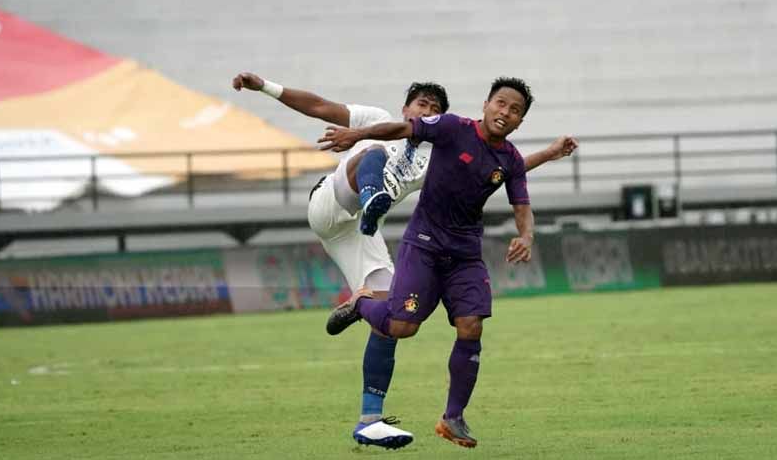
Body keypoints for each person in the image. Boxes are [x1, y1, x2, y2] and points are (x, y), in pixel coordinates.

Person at [232, 73, 577, 449]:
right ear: (406, 109)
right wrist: (264, 86)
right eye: (421, 104)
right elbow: (317, 106)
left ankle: (370, 418)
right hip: (330, 205)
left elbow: (493, 169)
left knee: (393, 322)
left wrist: (548, 154)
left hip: (363, 233)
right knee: (372, 152)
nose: (427, 111)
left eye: (434, 108)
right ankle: (370, 193)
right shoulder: (375, 121)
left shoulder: (435, 152)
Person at [319, 76, 542, 449]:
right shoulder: (453, 127)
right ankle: (361, 302)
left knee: (471, 326)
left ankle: (452, 418)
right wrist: (358, 136)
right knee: (402, 327)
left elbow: (522, 206)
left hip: (465, 255)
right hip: (423, 245)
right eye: (501, 104)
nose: (506, 113)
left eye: (515, 110)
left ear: (520, 121)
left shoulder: (511, 159)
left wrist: (526, 236)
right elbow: (402, 127)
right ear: (486, 104)